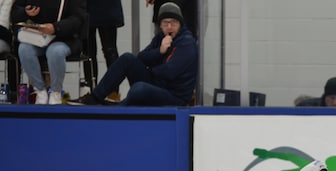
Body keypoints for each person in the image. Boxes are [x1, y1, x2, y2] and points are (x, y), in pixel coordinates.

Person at [68, 2, 197, 106]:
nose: (169, 27)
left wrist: (150, 70)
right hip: (157, 85)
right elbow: (141, 57)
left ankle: (118, 107)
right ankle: (95, 98)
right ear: (161, 25)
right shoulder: (160, 38)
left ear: (180, 24)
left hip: (174, 95)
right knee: (127, 59)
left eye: (173, 23)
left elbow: (170, 72)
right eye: (165, 23)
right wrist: (160, 51)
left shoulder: (186, 42)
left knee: (138, 89)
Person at [12, 0, 87, 105]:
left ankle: (55, 91)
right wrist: (25, 13)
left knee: (55, 52)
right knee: (24, 49)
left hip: (65, 38)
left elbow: (78, 19)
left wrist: (55, 27)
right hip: (37, 38)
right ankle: (40, 90)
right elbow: (15, 13)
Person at [82, 0, 124, 101]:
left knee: (108, 51)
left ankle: (111, 92)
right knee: (91, 52)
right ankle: (94, 91)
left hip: (102, 8)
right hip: (88, 7)